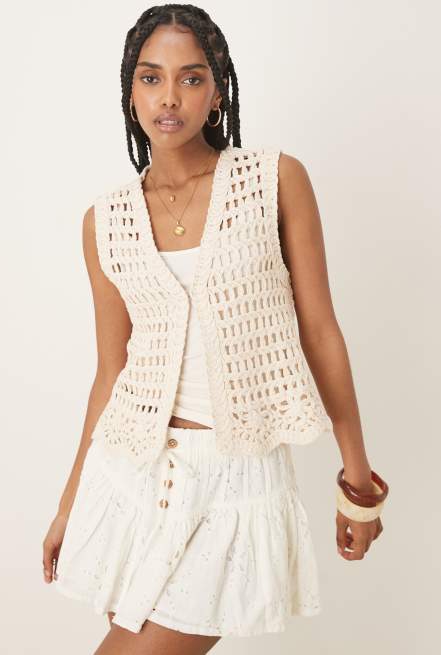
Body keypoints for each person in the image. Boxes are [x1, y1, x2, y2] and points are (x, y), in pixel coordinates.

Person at [42, 5, 387, 654]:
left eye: (191, 78)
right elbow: (111, 371)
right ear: (130, 92)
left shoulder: (272, 181)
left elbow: (319, 331)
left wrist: (358, 483)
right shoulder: (105, 220)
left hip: (238, 481)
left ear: (218, 91)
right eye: (150, 78)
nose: (169, 97)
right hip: (133, 478)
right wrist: (69, 503)